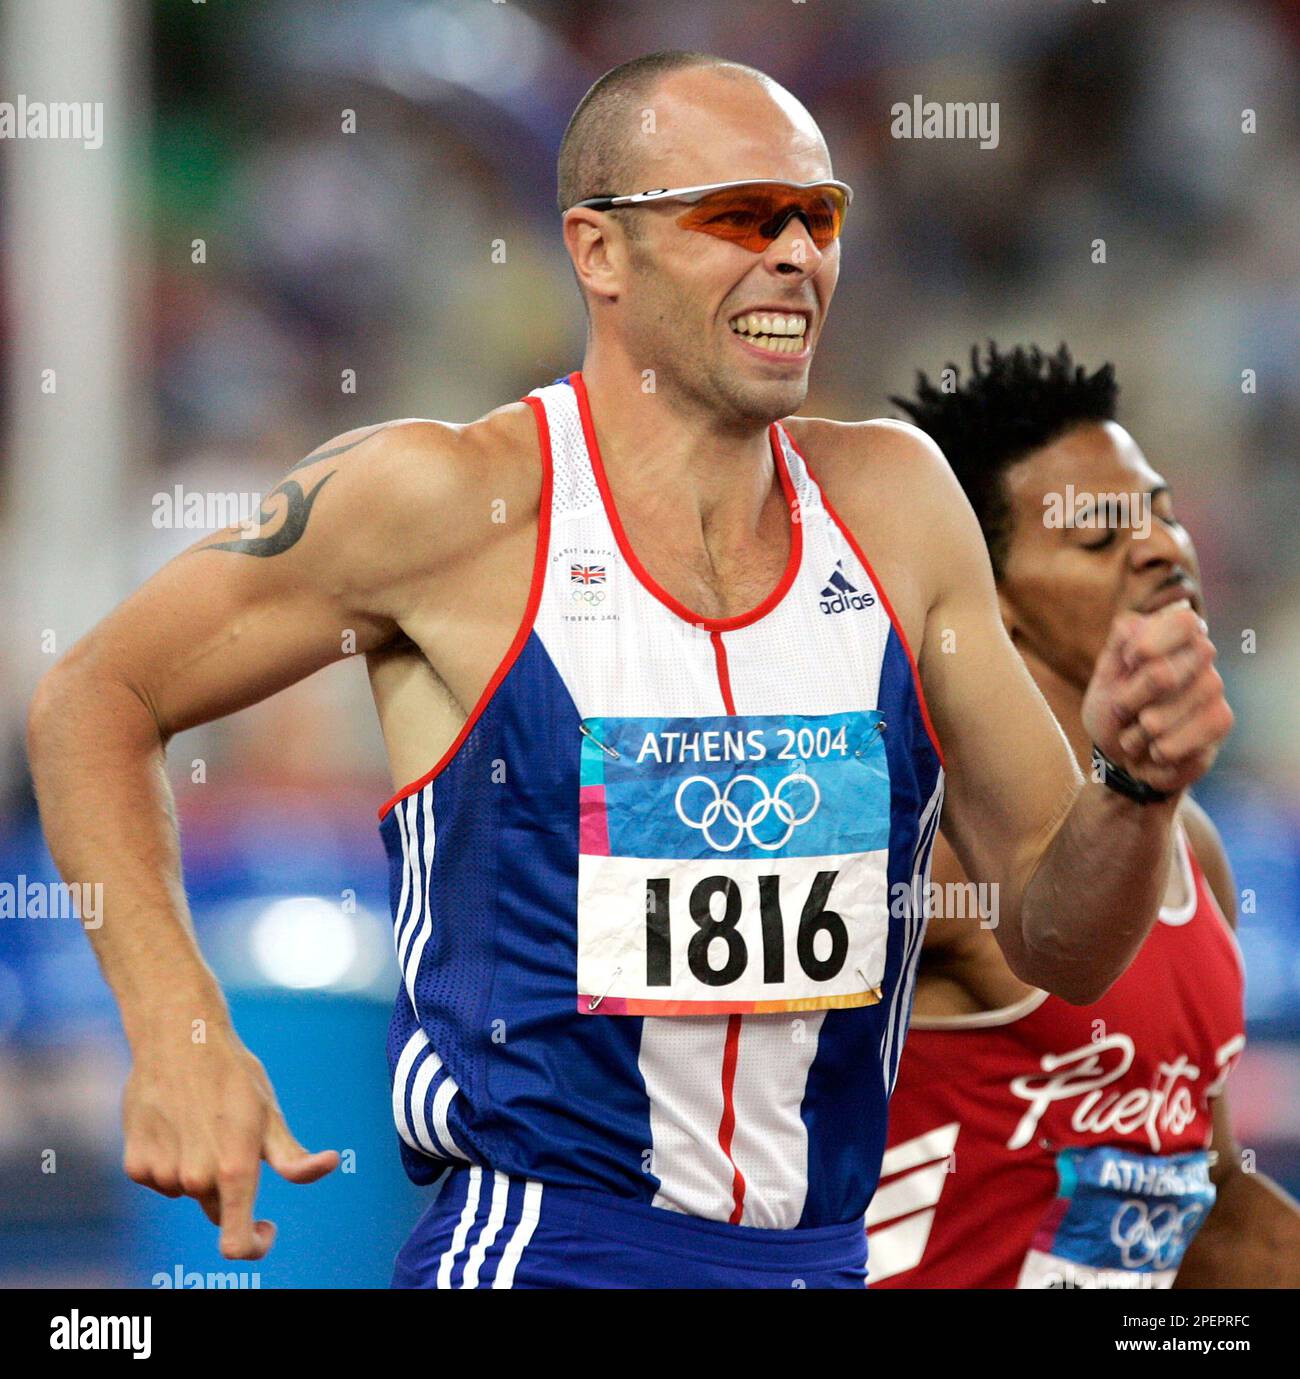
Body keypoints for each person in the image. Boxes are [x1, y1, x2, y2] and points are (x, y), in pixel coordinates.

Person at [26, 53, 1232, 1289]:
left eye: (819, 216)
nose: (794, 255)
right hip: (551, 1250)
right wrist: (177, 1025)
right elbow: (94, 696)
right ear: (598, 251)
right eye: (739, 214)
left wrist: (1131, 789)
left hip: (820, 1259)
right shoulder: (447, 503)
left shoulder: (898, 503)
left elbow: (1058, 938)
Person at [868, 343, 1300, 1289]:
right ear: (990, 607)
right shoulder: (926, 843)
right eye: (1100, 538)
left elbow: (1210, 1194)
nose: (1161, 548)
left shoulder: (1189, 849)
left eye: (1162, 514)